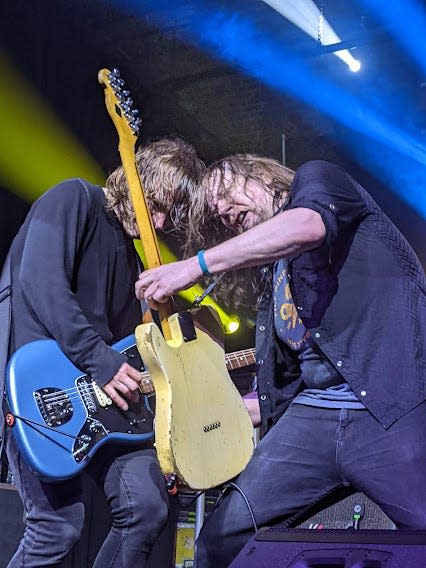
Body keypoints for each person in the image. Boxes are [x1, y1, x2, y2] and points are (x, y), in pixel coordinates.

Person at [135, 155, 426, 567]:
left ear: (261, 174)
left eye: (223, 191)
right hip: (314, 421)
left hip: (388, 406)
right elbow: (281, 389)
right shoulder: (276, 278)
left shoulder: (320, 179)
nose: (219, 208)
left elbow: (307, 226)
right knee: (221, 541)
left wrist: (195, 265)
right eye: (214, 211)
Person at [1, 136, 206, 567]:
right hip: (40, 391)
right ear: (137, 180)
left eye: (169, 216)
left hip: (99, 401)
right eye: (156, 204)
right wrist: (102, 361)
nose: (160, 219)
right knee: (57, 527)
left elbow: (133, 351)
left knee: (147, 507)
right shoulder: (74, 198)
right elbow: (41, 284)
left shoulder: (134, 263)